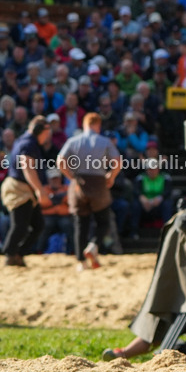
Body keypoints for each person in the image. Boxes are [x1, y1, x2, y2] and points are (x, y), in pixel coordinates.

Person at [57, 113, 122, 271]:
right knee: (103, 221)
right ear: (97, 125)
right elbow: (118, 162)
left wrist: (71, 176)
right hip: (99, 182)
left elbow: (60, 161)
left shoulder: (73, 141)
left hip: (79, 183)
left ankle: (81, 262)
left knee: (80, 224)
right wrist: (111, 177)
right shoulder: (104, 141)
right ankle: (93, 246)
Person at [0, 116, 53, 267]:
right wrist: (40, 191)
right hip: (19, 190)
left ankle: (18, 253)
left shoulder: (29, 142)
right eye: (47, 132)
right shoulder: (28, 143)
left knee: (38, 225)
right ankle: (10, 254)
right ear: (40, 131)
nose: (48, 136)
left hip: (26, 190)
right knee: (20, 225)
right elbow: (28, 168)